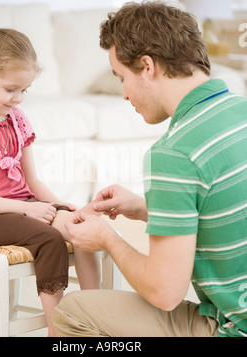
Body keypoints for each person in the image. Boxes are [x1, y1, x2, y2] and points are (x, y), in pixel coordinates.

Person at [52, 1, 247, 337]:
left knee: (72, 312)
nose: (125, 94)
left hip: (234, 327)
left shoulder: (174, 152)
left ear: (147, 66)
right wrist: (146, 207)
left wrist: (108, 239)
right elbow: (226, 208)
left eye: (121, 77)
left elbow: (165, 291)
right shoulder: (239, 111)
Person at [0, 27, 101, 337]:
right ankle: (58, 331)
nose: (17, 99)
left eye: (24, 90)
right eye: (9, 89)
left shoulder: (17, 120)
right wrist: (27, 210)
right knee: (50, 240)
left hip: (23, 205)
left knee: (83, 227)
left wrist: (59, 204)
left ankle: (95, 310)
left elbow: (32, 180)